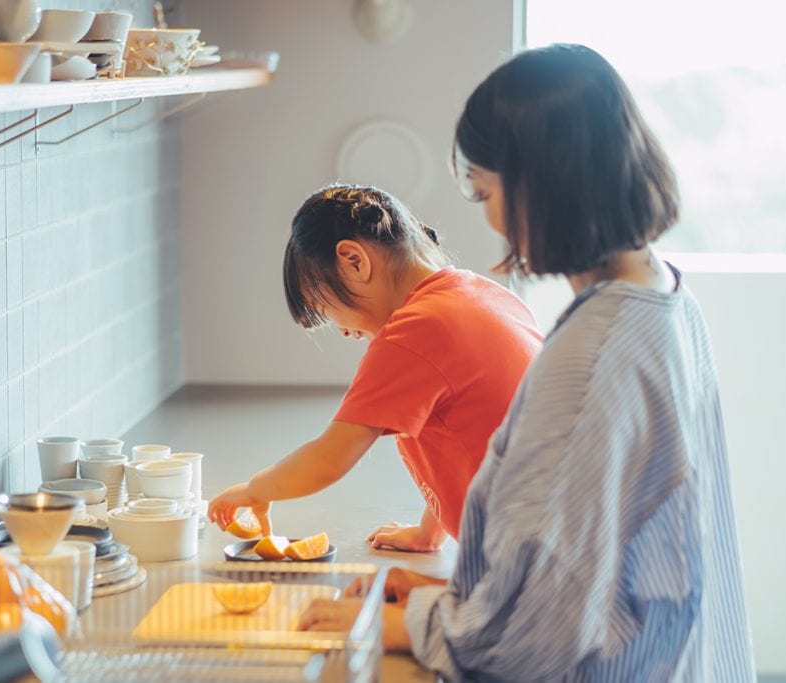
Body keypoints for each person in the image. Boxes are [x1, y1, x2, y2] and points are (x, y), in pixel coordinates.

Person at [299, 44, 756, 681]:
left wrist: (409, 621)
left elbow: (530, 636)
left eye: (486, 190)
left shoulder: (593, 359)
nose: (490, 217)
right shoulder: (666, 301)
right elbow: (585, 550)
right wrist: (455, 599)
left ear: (542, 187)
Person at [208, 184, 543, 552]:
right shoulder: (484, 296)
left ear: (353, 260)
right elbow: (469, 433)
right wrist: (428, 533)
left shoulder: (415, 331)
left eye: (326, 308)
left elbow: (328, 459)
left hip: (524, 558)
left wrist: (255, 490)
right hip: (569, 536)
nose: (345, 331)